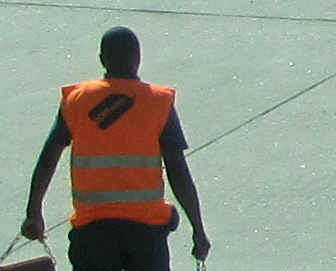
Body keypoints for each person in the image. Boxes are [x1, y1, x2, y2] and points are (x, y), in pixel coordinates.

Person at [21, 28, 210, 268]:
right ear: (138, 57)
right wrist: (198, 228)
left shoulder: (78, 99)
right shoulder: (157, 102)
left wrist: (34, 211)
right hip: (146, 233)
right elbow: (178, 171)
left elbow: (49, 157)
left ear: (102, 59)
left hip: (92, 232)